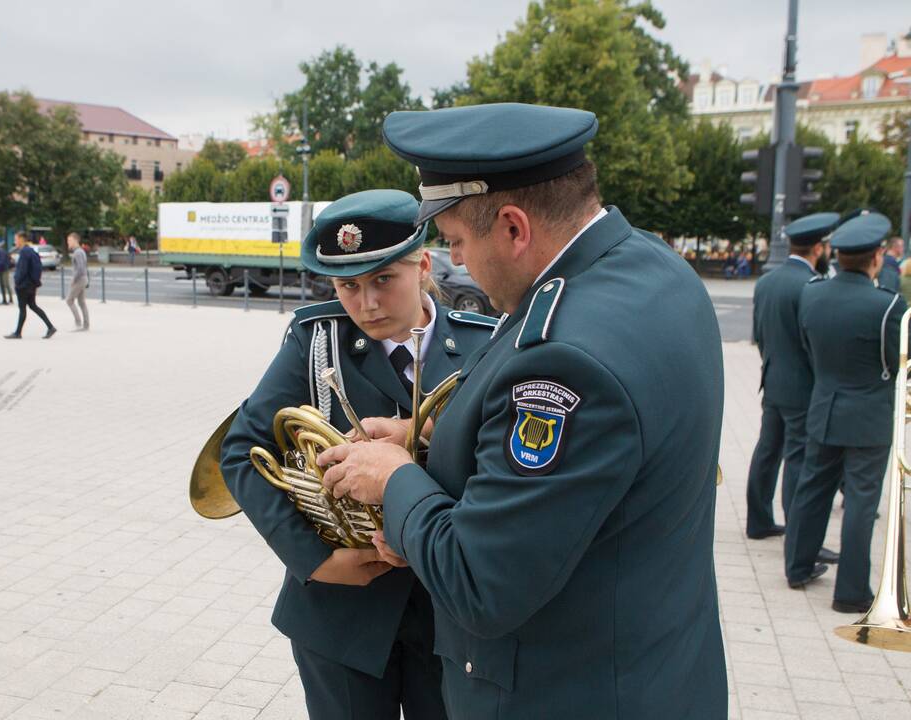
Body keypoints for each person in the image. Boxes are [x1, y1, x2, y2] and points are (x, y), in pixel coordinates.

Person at [318, 103, 727, 718]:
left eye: (455, 242)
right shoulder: (652, 268)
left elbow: (481, 584)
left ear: (513, 227)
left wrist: (394, 479)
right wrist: (425, 433)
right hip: (653, 668)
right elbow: (592, 468)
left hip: (566, 692)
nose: (460, 264)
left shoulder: (564, 358)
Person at [220, 189, 496, 720]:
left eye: (383, 281)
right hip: (339, 612)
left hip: (446, 613)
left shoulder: (484, 344)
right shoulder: (315, 339)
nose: (365, 303)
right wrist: (317, 560)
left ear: (422, 264)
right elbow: (240, 453)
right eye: (348, 285)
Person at [784, 212, 905, 613]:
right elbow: (895, 361)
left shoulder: (813, 293)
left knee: (812, 489)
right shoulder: (887, 305)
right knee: (860, 503)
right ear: (875, 257)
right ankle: (851, 591)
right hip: (868, 416)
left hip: (824, 406)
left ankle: (798, 566)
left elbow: (807, 347)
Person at [745, 213, 839, 544]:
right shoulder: (812, 286)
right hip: (803, 386)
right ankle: (797, 534)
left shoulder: (767, 281)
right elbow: (816, 342)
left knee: (768, 450)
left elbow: (758, 333)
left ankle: (758, 521)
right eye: (826, 246)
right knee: (797, 458)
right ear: (817, 248)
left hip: (773, 379)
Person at [5, 231, 56, 340]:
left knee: (23, 308)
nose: (15, 242)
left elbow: (22, 270)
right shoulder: (31, 250)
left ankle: (18, 333)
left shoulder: (24, 252)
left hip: (24, 285)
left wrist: (17, 280)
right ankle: (50, 327)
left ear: (21, 239)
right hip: (31, 284)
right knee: (33, 306)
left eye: (16, 239)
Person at [65, 232, 89, 331]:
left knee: (69, 300)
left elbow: (80, 268)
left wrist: (73, 279)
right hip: (83, 278)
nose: (68, 243)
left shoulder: (77, 252)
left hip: (79, 279)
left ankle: (78, 323)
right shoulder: (81, 251)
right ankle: (86, 325)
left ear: (75, 240)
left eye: (69, 241)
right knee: (82, 302)